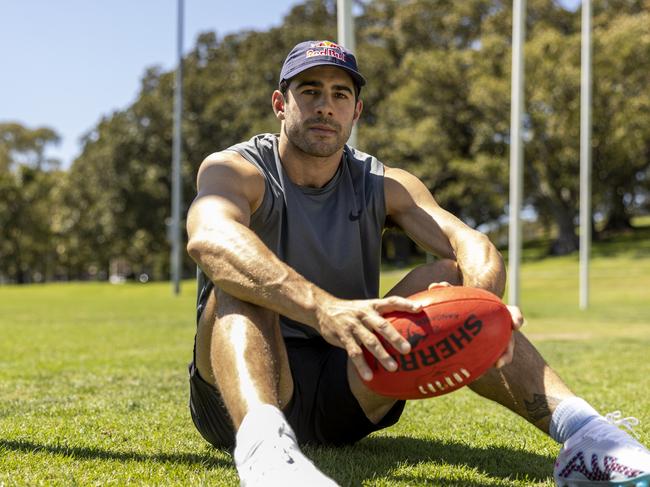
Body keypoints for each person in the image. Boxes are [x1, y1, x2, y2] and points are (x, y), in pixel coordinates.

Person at [185, 40, 650, 486]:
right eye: (309, 92)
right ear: (280, 104)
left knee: (449, 279)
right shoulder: (237, 168)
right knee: (241, 284)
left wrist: (481, 307)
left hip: (349, 385)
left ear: (355, 111)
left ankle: (591, 436)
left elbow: (470, 243)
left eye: (340, 94)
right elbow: (210, 238)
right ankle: (266, 453)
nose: (325, 106)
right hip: (239, 394)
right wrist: (322, 308)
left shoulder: (381, 182)